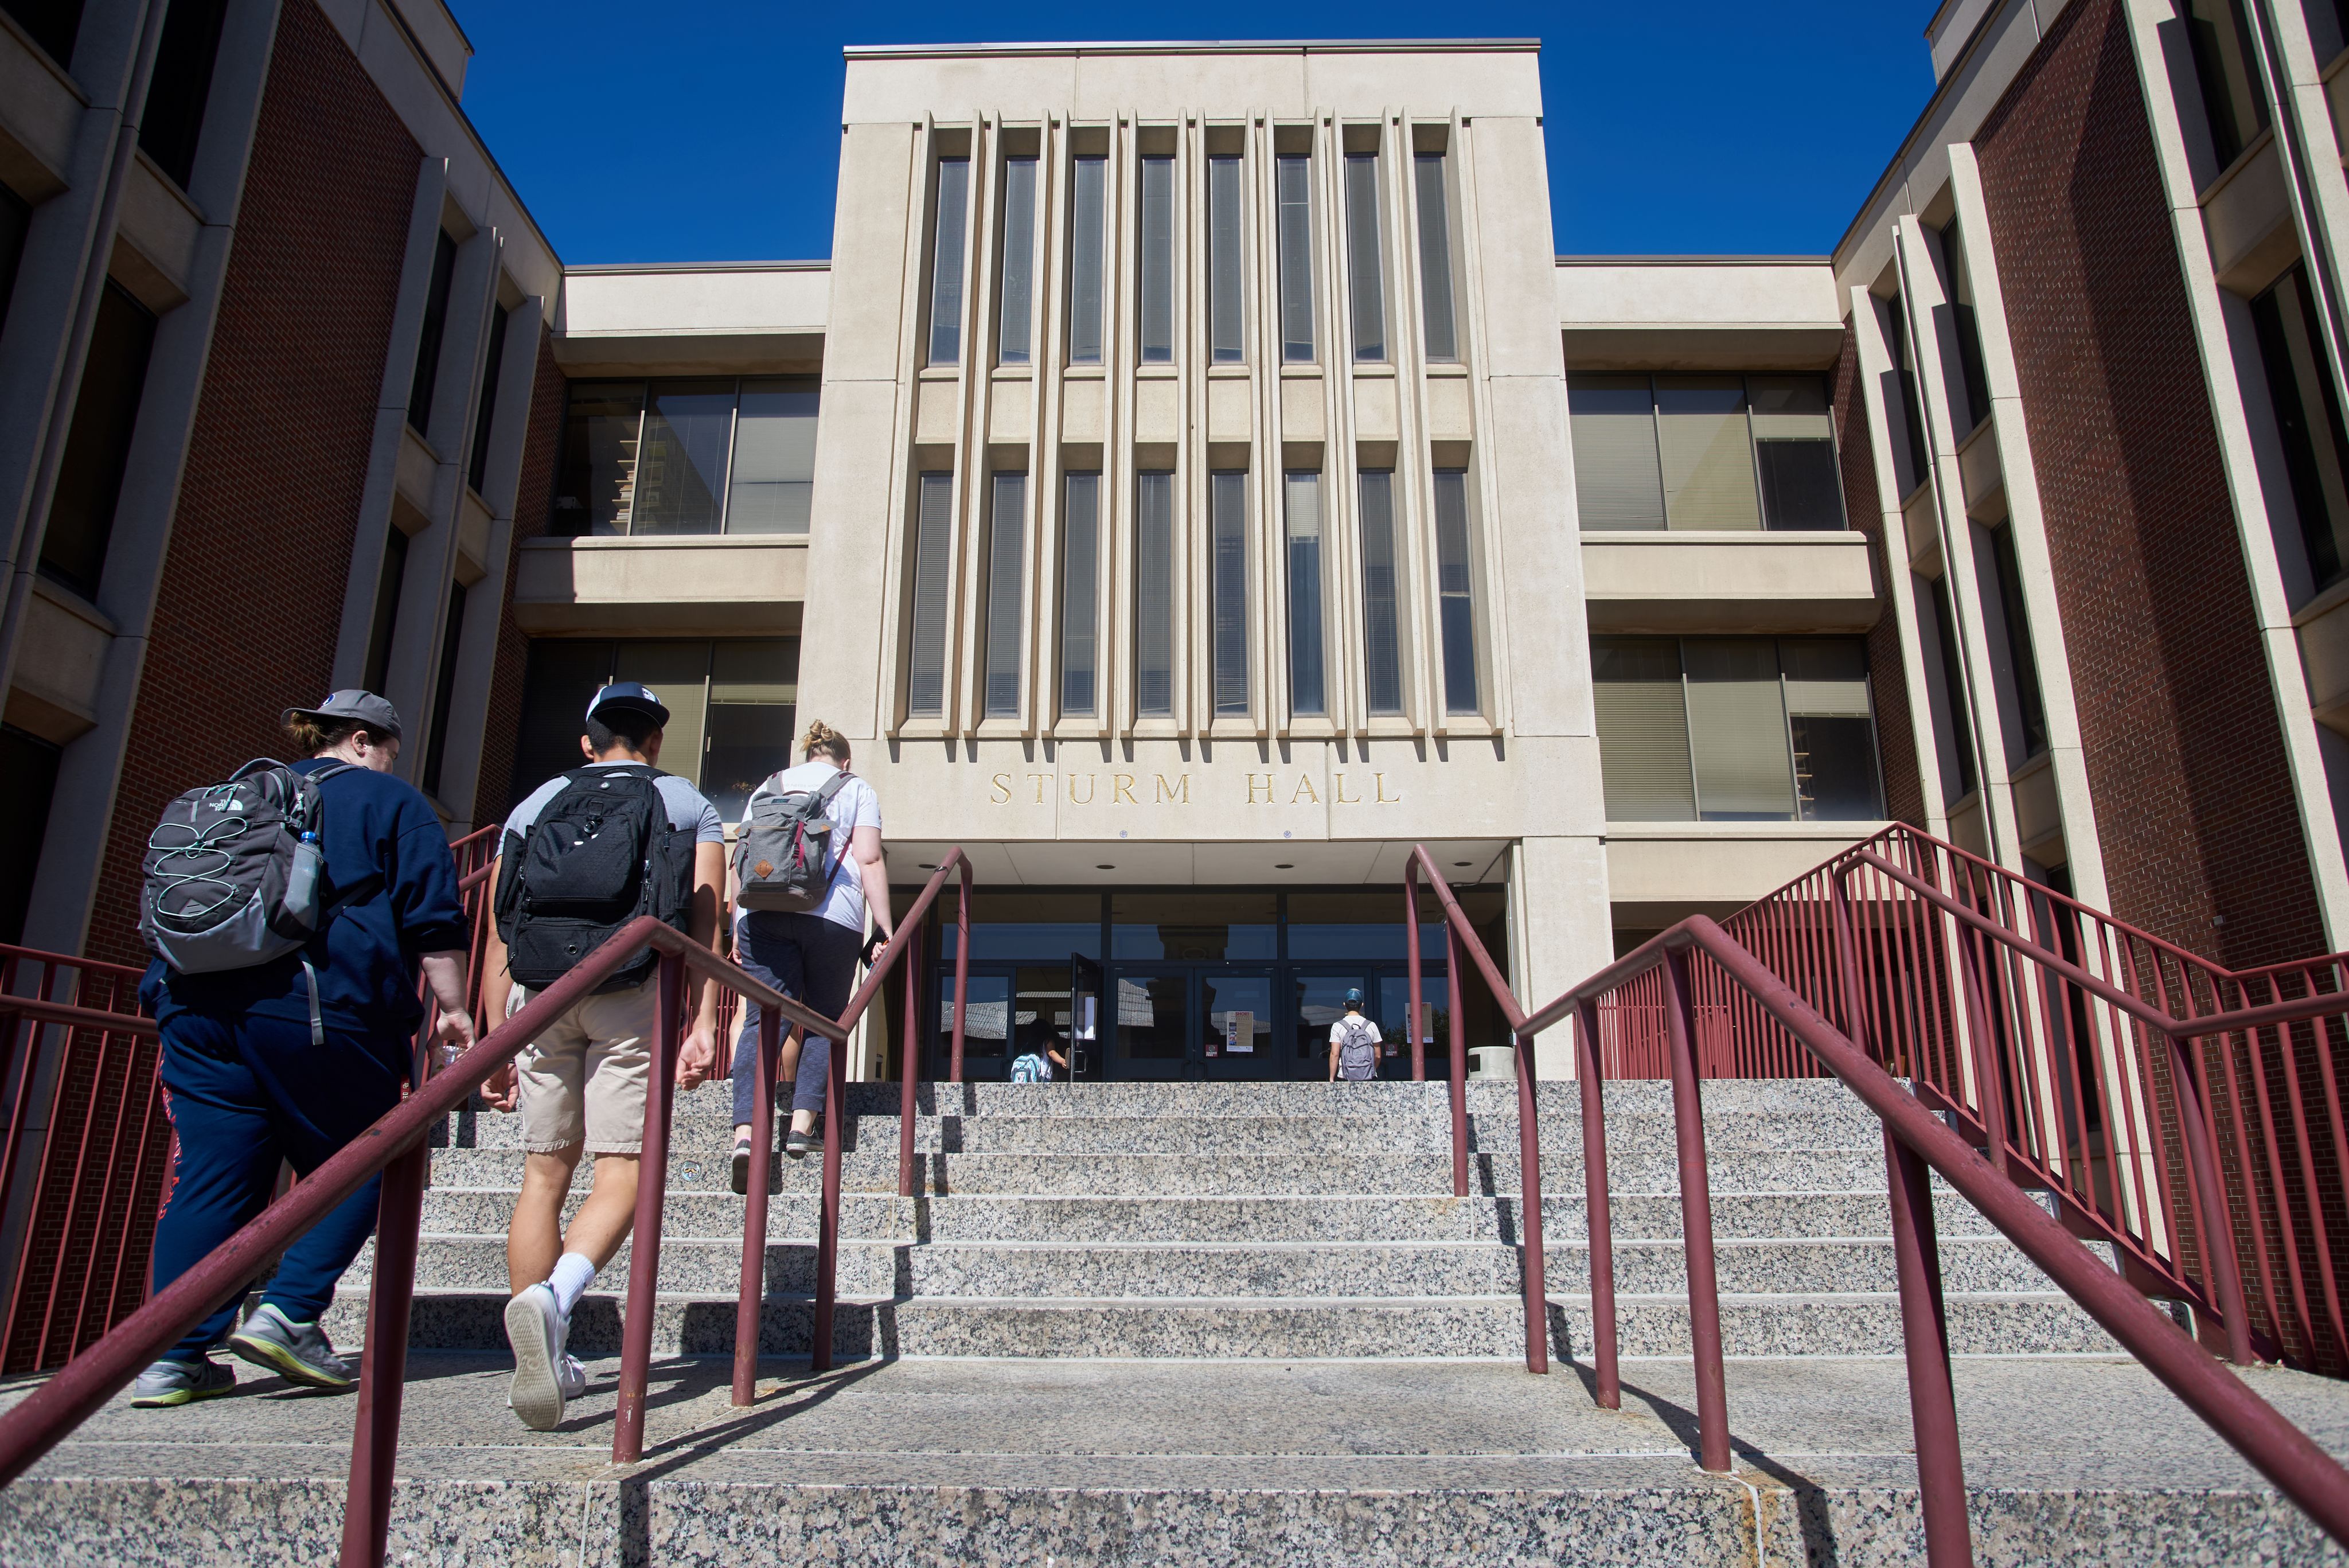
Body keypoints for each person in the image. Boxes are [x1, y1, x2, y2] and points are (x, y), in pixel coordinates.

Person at [131, 691, 473, 1406]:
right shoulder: (390, 801)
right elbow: (433, 917)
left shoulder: (244, 792)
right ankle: (288, 1313)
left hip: (193, 1008)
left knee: (215, 1180)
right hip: (319, 1011)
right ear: (360, 738)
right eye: (387, 750)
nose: (388, 763)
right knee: (374, 1153)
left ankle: (171, 1357)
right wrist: (454, 1009)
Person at [480, 682, 724, 1430]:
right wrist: (706, 1018)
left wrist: (497, 1037)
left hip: (543, 994)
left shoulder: (536, 802)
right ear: (655, 741)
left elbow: (500, 923)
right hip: (632, 988)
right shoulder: (686, 802)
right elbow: (710, 919)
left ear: (588, 742)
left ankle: (543, 1357)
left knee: (545, 1170)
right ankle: (552, 1303)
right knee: (625, 1166)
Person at [728, 723, 892, 1195]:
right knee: (824, 1019)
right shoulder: (856, 788)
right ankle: (802, 1126)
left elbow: (743, 852)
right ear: (845, 762)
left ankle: (746, 1133)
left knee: (762, 1022)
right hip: (832, 919)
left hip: (764, 914)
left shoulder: (769, 785)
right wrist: (885, 927)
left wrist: (740, 918)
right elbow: (869, 859)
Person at [1328, 988, 1383, 1083]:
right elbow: (1377, 1056)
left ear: (1345, 1005)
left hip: (1345, 1075)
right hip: (1369, 1076)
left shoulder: (1337, 1026)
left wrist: (1332, 1078)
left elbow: (1335, 1054)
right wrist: (1368, 1068)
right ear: (1362, 1005)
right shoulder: (1371, 1025)